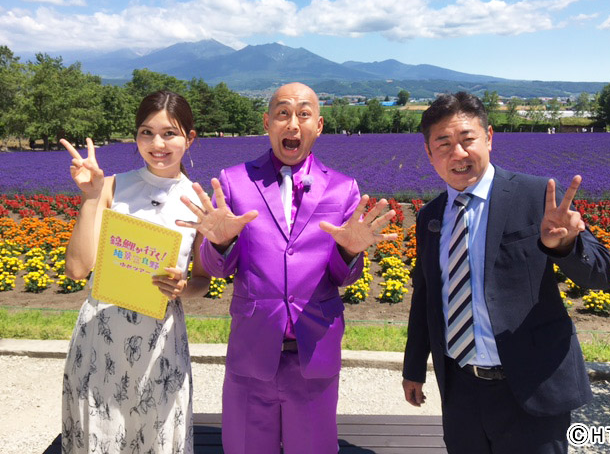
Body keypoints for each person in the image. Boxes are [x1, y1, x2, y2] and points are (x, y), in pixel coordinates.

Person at [178, 82, 397, 453]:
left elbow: (343, 277)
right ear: (267, 122)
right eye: (282, 113)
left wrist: (349, 254)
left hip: (314, 354)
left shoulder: (343, 189)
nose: (292, 123)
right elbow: (218, 269)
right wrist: (219, 242)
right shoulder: (234, 181)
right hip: (252, 350)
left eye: (303, 114)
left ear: (319, 125)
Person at [402, 91, 610, 454]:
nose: (458, 153)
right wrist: (413, 368)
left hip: (531, 387)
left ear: (489, 137)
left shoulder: (536, 196)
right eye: (444, 143)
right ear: (429, 153)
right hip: (461, 392)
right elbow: (426, 295)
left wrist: (565, 247)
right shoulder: (430, 216)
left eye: (467, 139)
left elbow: (602, 275)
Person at [59, 91, 211, 454]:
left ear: (189, 139)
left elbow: (203, 282)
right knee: (101, 435)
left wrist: (182, 287)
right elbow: (78, 269)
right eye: (146, 132)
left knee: (156, 435)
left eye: (169, 133)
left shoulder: (199, 201)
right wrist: (91, 197)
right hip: (101, 336)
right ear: (136, 136)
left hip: (161, 341)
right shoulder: (110, 187)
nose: (157, 144)